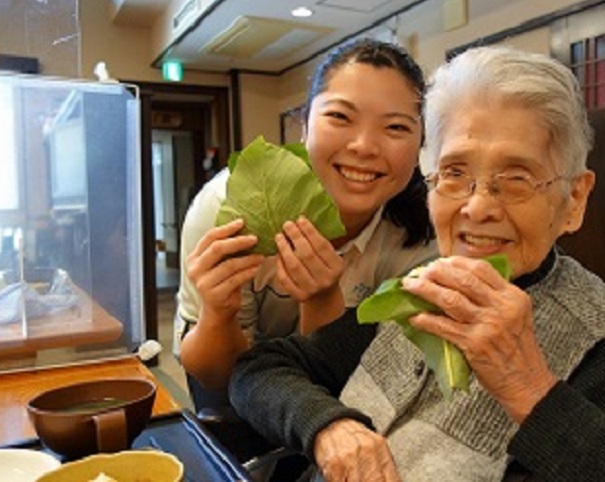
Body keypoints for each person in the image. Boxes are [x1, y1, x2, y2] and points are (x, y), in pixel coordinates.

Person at [229, 46, 605, 481]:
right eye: (455, 173)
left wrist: (530, 390)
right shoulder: (420, 288)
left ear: (574, 199)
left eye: (518, 177)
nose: (477, 206)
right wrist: (330, 426)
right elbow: (261, 370)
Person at [173, 38, 437, 403]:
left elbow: (371, 388)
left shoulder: (422, 236)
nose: (364, 146)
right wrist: (219, 313)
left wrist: (321, 301)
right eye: (340, 117)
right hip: (235, 398)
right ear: (304, 126)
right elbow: (215, 378)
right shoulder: (235, 205)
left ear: (422, 142)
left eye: (395, 128)